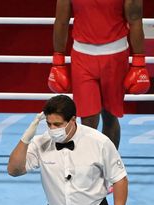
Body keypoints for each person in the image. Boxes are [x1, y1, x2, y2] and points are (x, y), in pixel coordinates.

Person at [7, 95, 128, 205]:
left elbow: (120, 178)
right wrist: (26, 138)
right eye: (49, 124)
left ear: (72, 120)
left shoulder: (99, 142)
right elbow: (14, 170)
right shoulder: (41, 142)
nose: (52, 129)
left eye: (57, 124)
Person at [48, 0, 150, 149]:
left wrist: (139, 61)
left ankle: (110, 166)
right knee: (88, 119)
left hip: (115, 56)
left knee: (109, 116)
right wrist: (58, 60)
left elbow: (135, 19)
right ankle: (91, 168)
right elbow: (61, 21)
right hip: (82, 57)